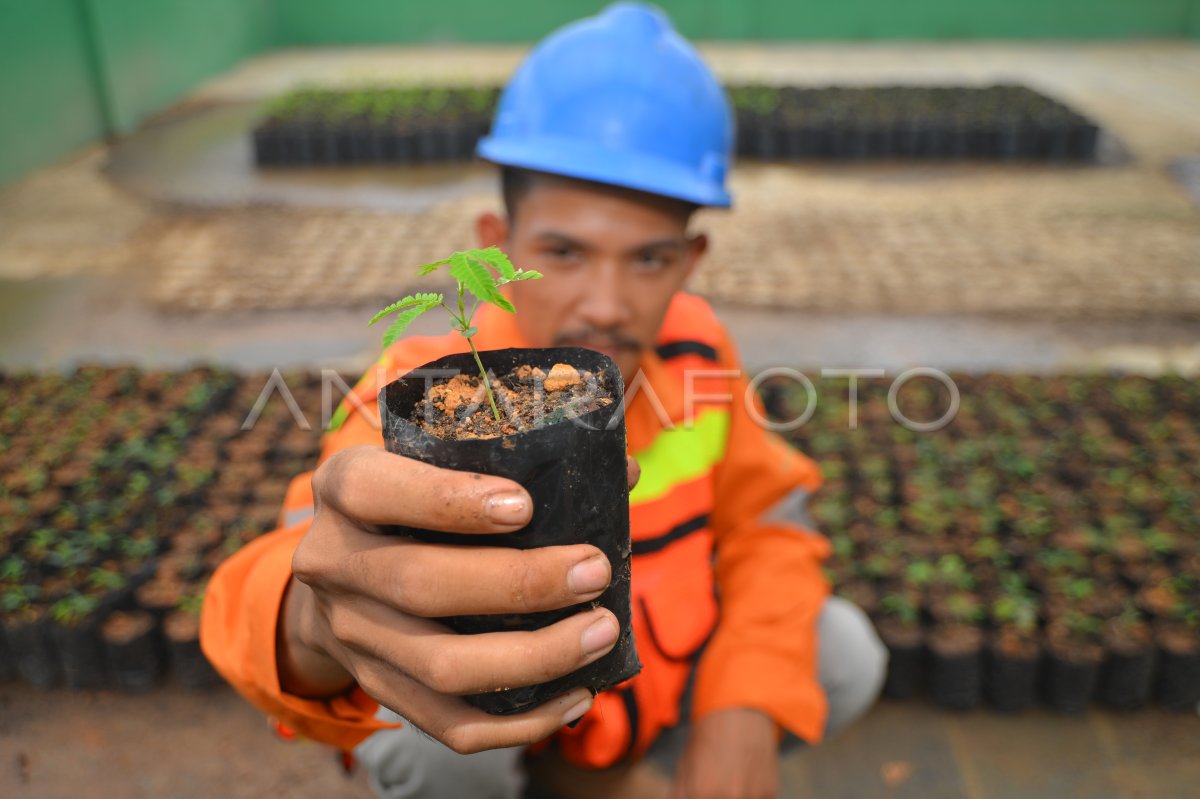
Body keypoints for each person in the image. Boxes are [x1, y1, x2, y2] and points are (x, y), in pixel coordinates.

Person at [201, 4, 887, 798]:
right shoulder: (427, 390)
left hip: (650, 684)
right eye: (563, 252)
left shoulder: (699, 352)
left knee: (843, 652)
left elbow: (769, 525)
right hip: (510, 715)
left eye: (649, 258)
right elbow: (302, 555)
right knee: (422, 745)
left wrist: (746, 703)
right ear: (498, 241)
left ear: (691, 259)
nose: (604, 303)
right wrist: (310, 620)